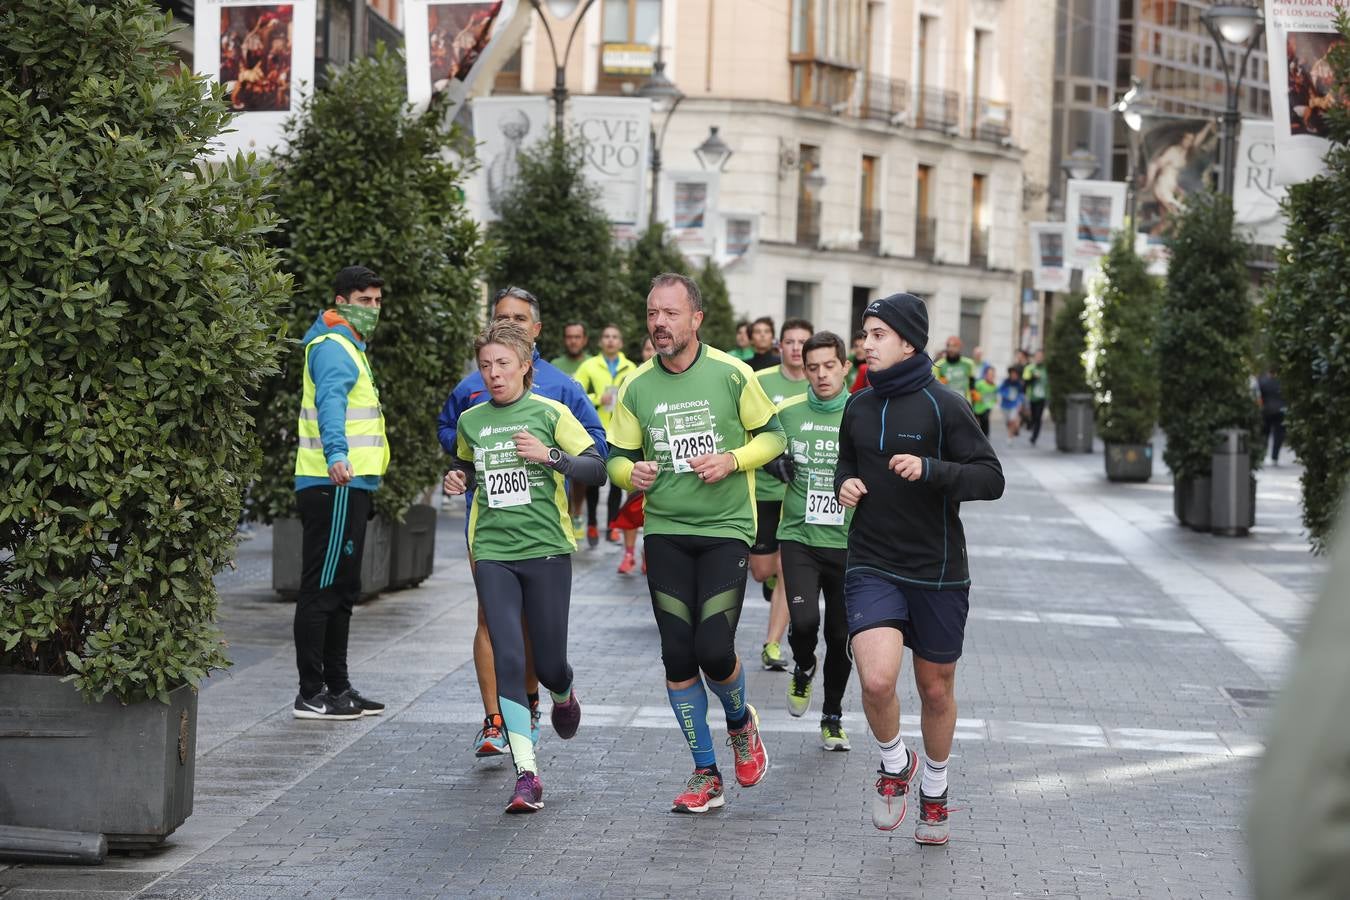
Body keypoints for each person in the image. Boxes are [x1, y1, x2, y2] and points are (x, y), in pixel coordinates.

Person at [607, 272, 785, 814]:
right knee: (677, 656)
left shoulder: (732, 374)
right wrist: (626, 474)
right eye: (652, 314)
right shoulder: (638, 385)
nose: (659, 324)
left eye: (670, 314)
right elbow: (615, 455)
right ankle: (706, 773)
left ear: (696, 319)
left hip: (725, 529)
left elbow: (775, 438)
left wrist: (732, 460)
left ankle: (740, 724)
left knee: (713, 647)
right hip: (665, 533)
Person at [836, 292, 1004, 843]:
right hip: (872, 562)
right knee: (877, 679)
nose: (866, 344)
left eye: (878, 335)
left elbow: (990, 478)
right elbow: (845, 460)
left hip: (937, 570)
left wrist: (933, 469)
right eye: (865, 334)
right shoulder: (857, 405)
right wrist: (845, 484)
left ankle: (934, 785)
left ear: (909, 342)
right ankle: (892, 763)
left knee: (935, 690)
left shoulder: (945, 405)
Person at [437, 287, 607, 760]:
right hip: (491, 543)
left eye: (503, 363)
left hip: (546, 544)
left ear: (529, 352)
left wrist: (550, 455)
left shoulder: (558, 399)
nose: (493, 373)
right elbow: (464, 450)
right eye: (487, 365)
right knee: (503, 643)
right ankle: (521, 760)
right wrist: (459, 475)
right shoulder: (472, 410)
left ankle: (558, 690)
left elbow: (596, 459)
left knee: (549, 658)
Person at [291, 266, 390, 721]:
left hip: (353, 484)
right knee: (323, 588)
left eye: (376, 301)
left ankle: (339, 687)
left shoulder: (351, 347)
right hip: (334, 484)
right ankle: (311, 692)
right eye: (364, 300)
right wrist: (335, 454)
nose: (372, 309)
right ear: (341, 301)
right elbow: (330, 403)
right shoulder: (333, 348)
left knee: (344, 588)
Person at [764, 331, 857, 751]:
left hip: (851, 542)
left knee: (841, 637)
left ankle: (832, 716)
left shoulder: (864, 413)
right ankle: (803, 666)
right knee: (804, 624)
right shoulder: (790, 412)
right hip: (799, 535)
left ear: (845, 367)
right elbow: (762, 448)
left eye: (829, 366)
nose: (820, 375)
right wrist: (773, 462)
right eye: (812, 367)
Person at [751, 318, 813, 672]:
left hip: (801, 494)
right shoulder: (761, 382)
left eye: (801, 342)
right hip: (763, 490)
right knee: (761, 571)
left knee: (791, 567)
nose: (794, 348)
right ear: (780, 347)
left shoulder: (822, 384)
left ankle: (772, 644)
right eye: (789, 342)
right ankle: (771, 573)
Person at [575, 324, 638, 559]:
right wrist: (596, 399)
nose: (611, 341)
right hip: (596, 430)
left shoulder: (630, 367)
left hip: (621, 431)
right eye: (607, 337)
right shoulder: (589, 366)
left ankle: (613, 525)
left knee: (616, 482)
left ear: (620, 343)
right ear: (600, 341)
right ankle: (591, 522)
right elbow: (576, 393)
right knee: (594, 478)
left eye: (615, 337)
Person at [614, 336, 659, 574]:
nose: (651, 352)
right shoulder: (630, 381)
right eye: (647, 348)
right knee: (632, 507)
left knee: (656, 508)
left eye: (654, 348)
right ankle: (629, 554)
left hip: (663, 457)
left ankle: (649, 551)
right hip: (635, 454)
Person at [551, 322, 596, 543]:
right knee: (561, 472)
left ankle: (578, 512)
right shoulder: (555, 365)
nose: (573, 341)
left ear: (585, 339)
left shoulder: (592, 364)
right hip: (558, 428)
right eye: (569, 336)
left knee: (580, 474)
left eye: (577, 337)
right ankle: (566, 514)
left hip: (583, 428)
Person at [933, 336, 977, 406]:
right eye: (949, 346)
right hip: (946, 403)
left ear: (960, 348)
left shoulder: (969, 364)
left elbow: (972, 382)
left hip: (965, 402)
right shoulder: (938, 365)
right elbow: (934, 385)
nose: (951, 349)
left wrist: (974, 393)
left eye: (954, 346)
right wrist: (940, 382)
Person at [1257, 369, 1286, 465]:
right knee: (1278, 435)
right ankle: (1275, 456)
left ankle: (1262, 455)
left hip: (1267, 410)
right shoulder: (1282, 381)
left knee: (1265, 433)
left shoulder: (1262, 381)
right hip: (1280, 410)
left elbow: (1259, 395)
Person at [1023, 350, 1048, 446]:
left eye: (1041, 356)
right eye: (1037, 356)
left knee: (1038, 417)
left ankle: (1034, 437)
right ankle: (1030, 425)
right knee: (1033, 416)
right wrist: (1033, 377)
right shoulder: (1029, 368)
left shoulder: (1045, 369)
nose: (1039, 358)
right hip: (1031, 397)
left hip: (1042, 397)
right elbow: (1025, 382)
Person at [997, 368, 1024, 443]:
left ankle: (1010, 437)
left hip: (1014, 405)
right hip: (1005, 405)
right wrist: (1006, 395)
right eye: (1012, 374)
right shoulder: (1006, 382)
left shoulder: (1019, 383)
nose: (1014, 376)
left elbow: (1021, 394)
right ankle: (1015, 428)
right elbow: (1000, 390)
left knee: (1012, 420)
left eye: (1015, 374)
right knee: (1008, 421)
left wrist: (1020, 403)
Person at [972, 364, 996, 437]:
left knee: (985, 420)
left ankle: (985, 436)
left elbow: (993, 397)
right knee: (975, 422)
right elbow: (973, 391)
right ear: (985, 375)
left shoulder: (994, 386)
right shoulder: (980, 383)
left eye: (993, 374)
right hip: (977, 407)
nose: (991, 376)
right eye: (989, 374)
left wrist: (993, 401)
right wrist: (976, 396)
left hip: (987, 406)